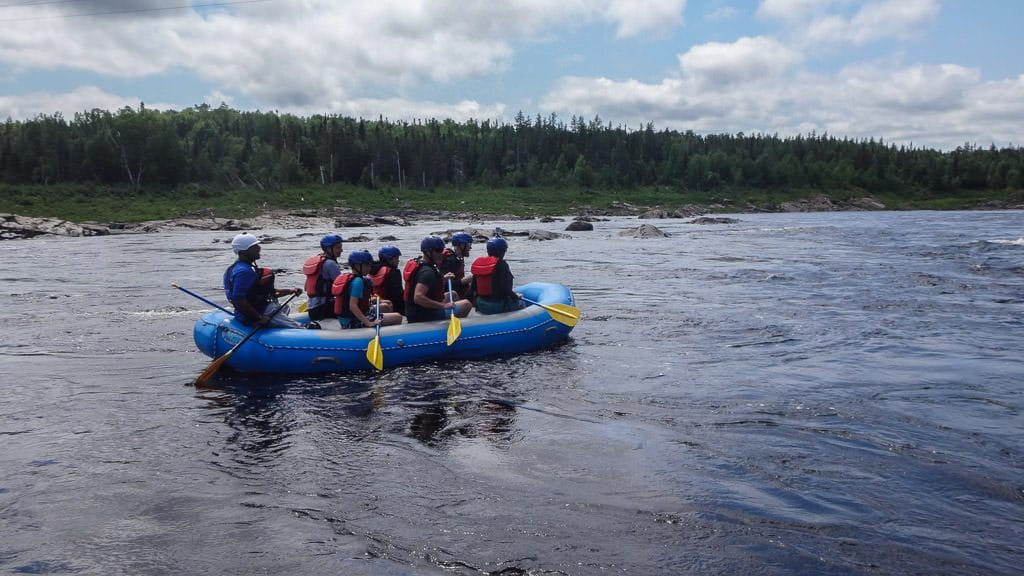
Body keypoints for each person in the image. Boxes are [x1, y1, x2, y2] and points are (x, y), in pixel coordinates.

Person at [223, 232, 304, 328]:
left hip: (259, 309)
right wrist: (259, 317)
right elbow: (238, 300)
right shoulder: (244, 272)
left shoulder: (237, 268)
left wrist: (290, 291)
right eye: (254, 246)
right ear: (244, 252)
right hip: (257, 313)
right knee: (304, 328)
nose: (259, 248)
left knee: (284, 307)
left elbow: (263, 293)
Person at [403, 235, 472, 323]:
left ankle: (449, 319)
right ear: (428, 252)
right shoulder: (427, 272)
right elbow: (418, 297)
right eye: (438, 250)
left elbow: (426, 282)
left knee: (453, 294)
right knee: (466, 304)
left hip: (415, 310)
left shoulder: (420, 262)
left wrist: (443, 278)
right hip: (422, 315)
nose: (441, 253)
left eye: (442, 250)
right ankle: (448, 328)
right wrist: (442, 306)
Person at [331, 250, 403, 329]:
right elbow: (353, 306)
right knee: (398, 317)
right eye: (367, 265)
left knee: (387, 305)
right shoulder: (358, 282)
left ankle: (384, 327)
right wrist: (369, 323)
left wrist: (377, 300)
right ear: (357, 266)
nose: (370, 268)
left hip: (352, 316)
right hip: (352, 321)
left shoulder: (354, 278)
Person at [470, 237, 524, 315]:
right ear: (501, 251)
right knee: (520, 303)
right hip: (495, 306)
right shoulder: (502, 265)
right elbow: (505, 290)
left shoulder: (480, 264)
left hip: (480, 304)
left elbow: (473, 288)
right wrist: (516, 297)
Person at [302, 233, 344, 322]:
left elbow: (306, 288)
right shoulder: (331, 264)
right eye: (338, 248)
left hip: (312, 308)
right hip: (325, 309)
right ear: (329, 249)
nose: (341, 250)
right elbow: (343, 288)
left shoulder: (317, 262)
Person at [369, 245, 405, 316]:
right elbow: (397, 294)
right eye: (396, 258)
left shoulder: (371, 270)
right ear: (389, 259)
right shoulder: (394, 272)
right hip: (391, 305)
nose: (398, 260)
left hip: (377, 303)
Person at [440, 231, 474, 300]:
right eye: (469, 245)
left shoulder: (458, 258)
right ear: (461, 245)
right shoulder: (450, 261)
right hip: (450, 295)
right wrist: (463, 281)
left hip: (458, 290)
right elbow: (445, 286)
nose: (470, 248)